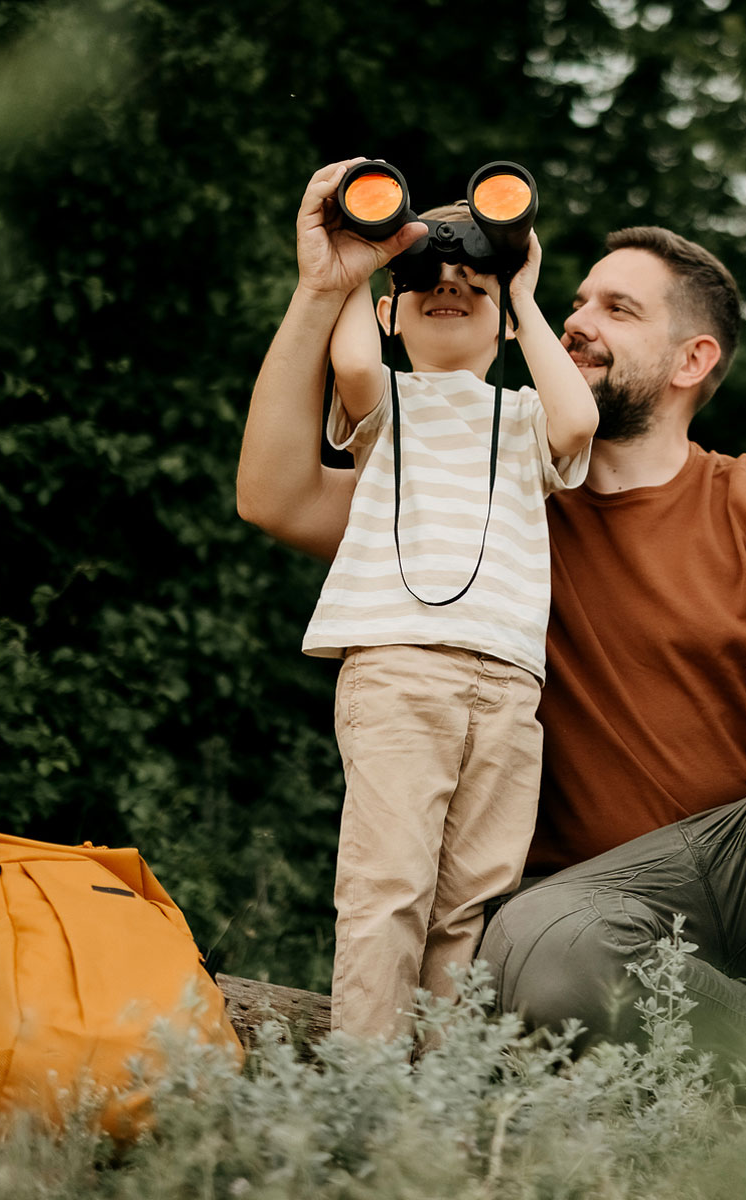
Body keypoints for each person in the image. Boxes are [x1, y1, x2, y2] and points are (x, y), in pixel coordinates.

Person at [237, 159, 746, 1083]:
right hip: (598, 911)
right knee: (537, 949)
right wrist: (325, 288)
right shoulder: (492, 493)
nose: (581, 322)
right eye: (577, 300)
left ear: (693, 360)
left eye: (618, 311)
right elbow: (275, 495)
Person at [270, 160, 598, 1040]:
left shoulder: (526, 414)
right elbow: (348, 361)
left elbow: (579, 423)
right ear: (389, 311)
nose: (446, 289)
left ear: (502, 320)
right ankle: (368, 1094)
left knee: (470, 907)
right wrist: (364, 260)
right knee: (389, 889)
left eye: (470, 284)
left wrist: (524, 292)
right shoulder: (388, 407)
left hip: (508, 688)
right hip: (399, 670)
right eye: (422, 283)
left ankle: (435, 1100)